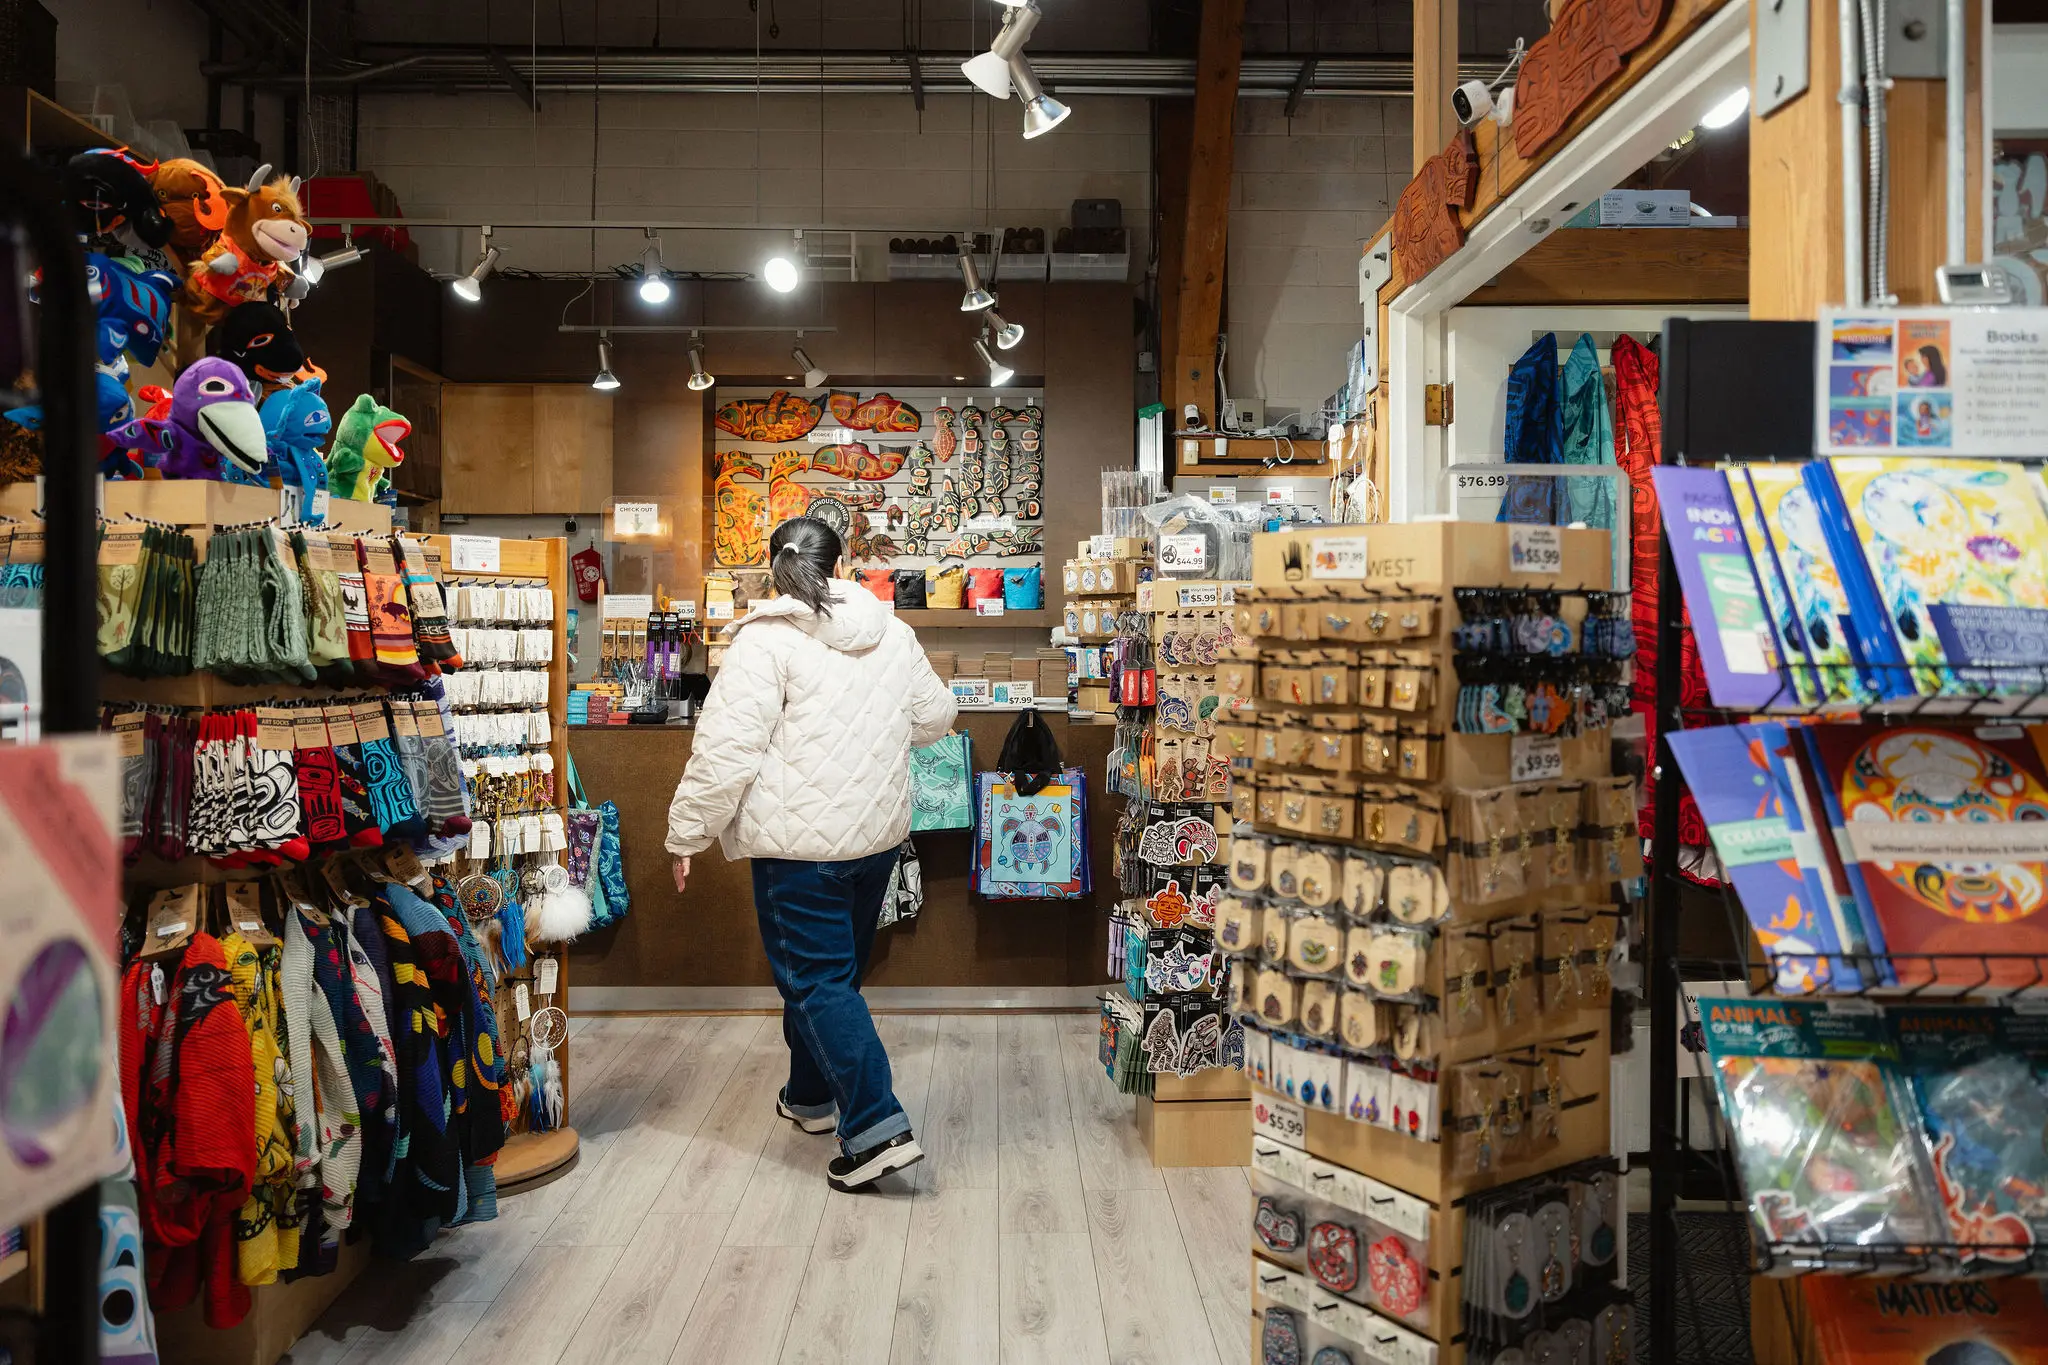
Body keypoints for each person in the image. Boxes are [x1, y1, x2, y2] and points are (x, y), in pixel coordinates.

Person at [664, 516, 957, 1191]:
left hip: (798, 848)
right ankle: (810, 1096)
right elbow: (937, 715)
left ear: (774, 565)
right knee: (829, 975)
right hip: (876, 839)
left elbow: (724, 753)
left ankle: (878, 1128)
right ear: (845, 559)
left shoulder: (764, 643)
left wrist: (687, 833)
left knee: (817, 980)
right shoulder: (891, 629)